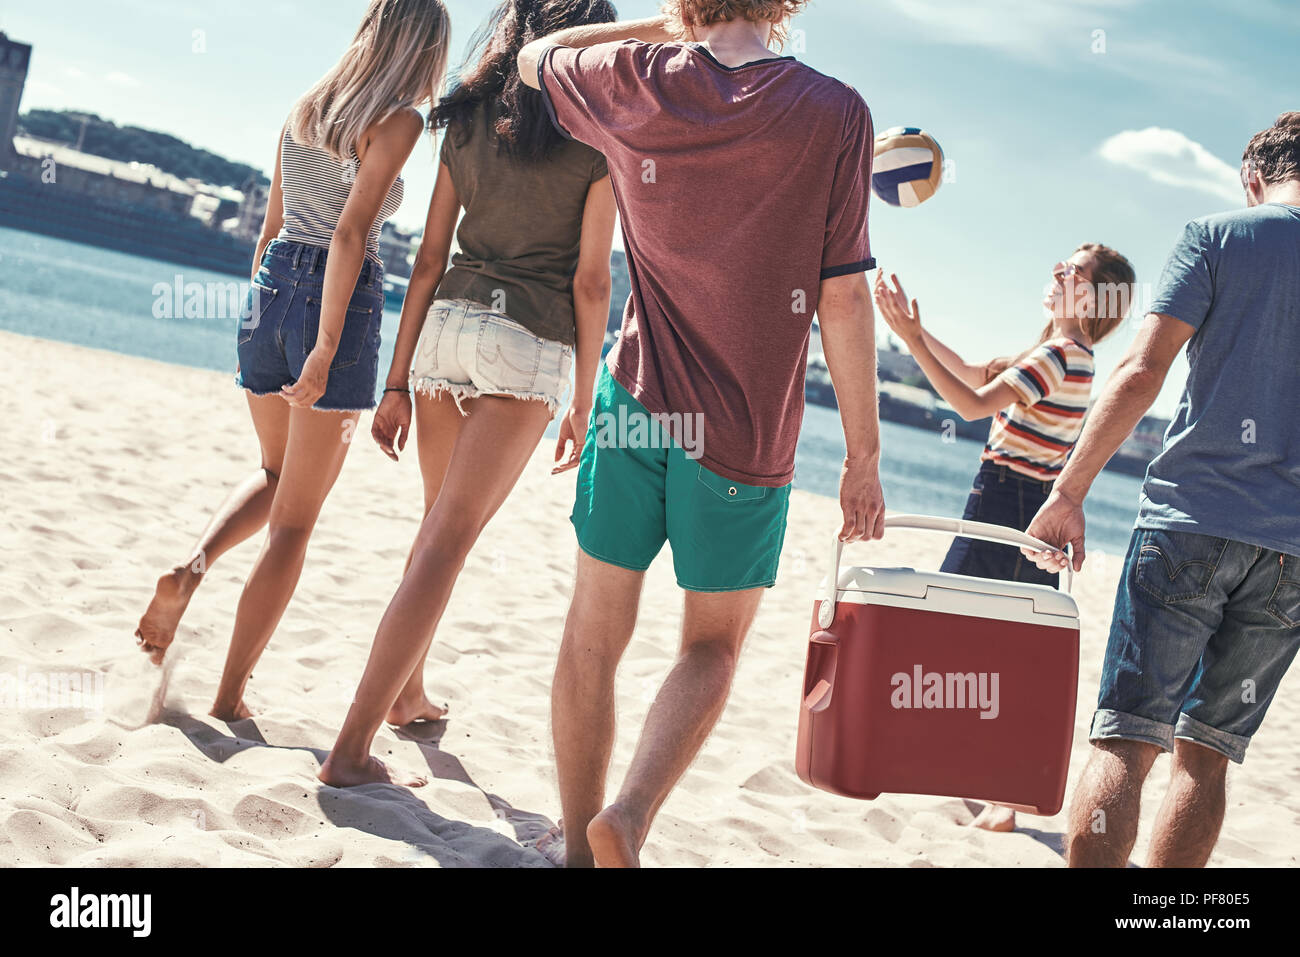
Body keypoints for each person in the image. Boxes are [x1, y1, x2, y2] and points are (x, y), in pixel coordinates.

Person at [517, 0, 886, 867]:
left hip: (632, 403)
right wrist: (863, 456)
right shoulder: (835, 113)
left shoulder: (634, 78)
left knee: (592, 633)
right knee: (713, 647)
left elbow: (535, 56)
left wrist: (654, 25)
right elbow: (842, 295)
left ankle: (578, 848)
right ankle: (632, 815)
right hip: (745, 434)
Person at [318, 0, 619, 787]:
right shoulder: (598, 140)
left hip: (447, 326)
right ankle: (349, 751)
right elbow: (591, 282)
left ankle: (407, 691)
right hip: (525, 341)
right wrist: (586, 400)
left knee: (434, 533)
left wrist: (395, 380)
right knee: (448, 542)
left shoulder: (464, 116)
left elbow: (426, 257)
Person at [133, 0, 450, 720]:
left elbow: (274, 226)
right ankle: (228, 695)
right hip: (335, 303)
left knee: (276, 474)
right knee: (296, 522)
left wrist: (263, 313)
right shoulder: (396, 119)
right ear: (422, 50)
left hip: (271, 288)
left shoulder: (306, 106)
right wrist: (328, 345)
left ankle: (192, 567)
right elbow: (347, 234)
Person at [1024, 112, 1300, 867]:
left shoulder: (1217, 236)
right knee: (1206, 755)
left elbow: (1142, 371)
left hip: (1189, 520)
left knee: (1127, 735)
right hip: (1291, 554)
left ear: (1253, 177)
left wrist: (1069, 490)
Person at [873, 243, 1135, 832]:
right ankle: (989, 782)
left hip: (1008, 505)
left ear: (1092, 297)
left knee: (970, 638)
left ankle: (1003, 793)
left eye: (1071, 271)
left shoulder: (1063, 356)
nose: (1055, 271)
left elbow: (967, 404)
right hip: (1008, 501)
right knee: (984, 643)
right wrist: (915, 330)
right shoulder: (1056, 353)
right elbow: (972, 374)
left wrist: (910, 341)